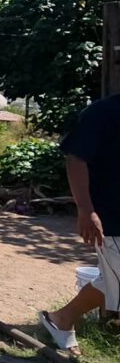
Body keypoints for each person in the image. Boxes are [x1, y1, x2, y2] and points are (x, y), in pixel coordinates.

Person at [39, 95, 120, 357]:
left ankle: (60, 319)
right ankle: (62, 318)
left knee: (112, 280)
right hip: (111, 216)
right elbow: (75, 159)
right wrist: (86, 210)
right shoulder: (104, 112)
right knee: (116, 279)